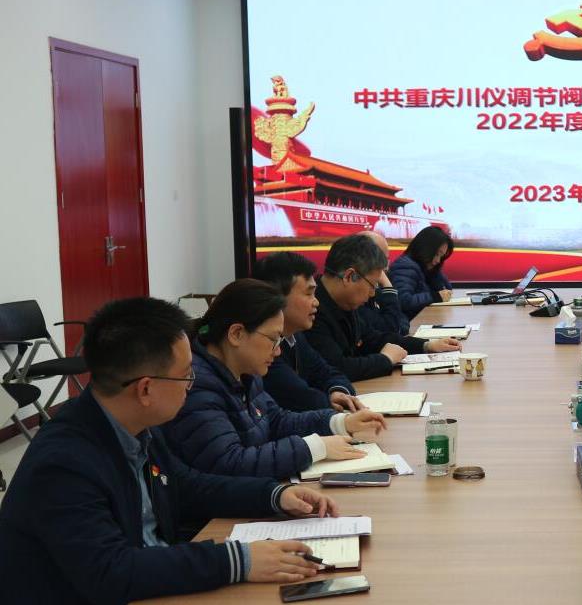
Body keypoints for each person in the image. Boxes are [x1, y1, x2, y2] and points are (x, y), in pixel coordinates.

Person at [0, 297, 339, 604]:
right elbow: (110, 571)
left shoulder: (135, 424)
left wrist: (274, 495)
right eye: (186, 376)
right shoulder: (64, 463)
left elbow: (185, 485)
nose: (192, 385)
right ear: (145, 389)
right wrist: (237, 561)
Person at [164, 279, 388, 480]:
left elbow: (276, 421)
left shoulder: (245, 371)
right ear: (236, 334)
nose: (278, 351)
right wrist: (312, 448)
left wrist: (339, 422)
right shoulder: (197, 386)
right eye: (273, 339)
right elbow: (229, 462)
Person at [307, 233, 459, 382]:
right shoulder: (312, 310)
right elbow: (337, 367)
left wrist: (426, 345)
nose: (373, 293)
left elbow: (373, 338)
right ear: (349, 276)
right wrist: (385, 359)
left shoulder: (343, 302)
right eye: (373, 285)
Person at [254, 251, 364, 412]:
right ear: (276, 298)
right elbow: (303, 399)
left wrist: (337, 392)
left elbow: (327, 372)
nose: (316, 302)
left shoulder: (294, 336)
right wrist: (330, 402)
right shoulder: (262, 346)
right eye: (308, 293)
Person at [388, 225, 455, 319]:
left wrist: (435, 272)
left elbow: (447, 290)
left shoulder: (423, 266)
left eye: (441, 256)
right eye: (436, 254)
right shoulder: (405, 266)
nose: (438, 260)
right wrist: (435, 296)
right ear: (425, 248)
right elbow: (404, 301)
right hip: (409, 324)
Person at [358, 230, 412, 335]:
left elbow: (401, 319)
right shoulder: (359, 290)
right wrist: (388, 286)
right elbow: (391, 328)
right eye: (383, 260)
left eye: (387, 260)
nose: (386, 267)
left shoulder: (380, 279)